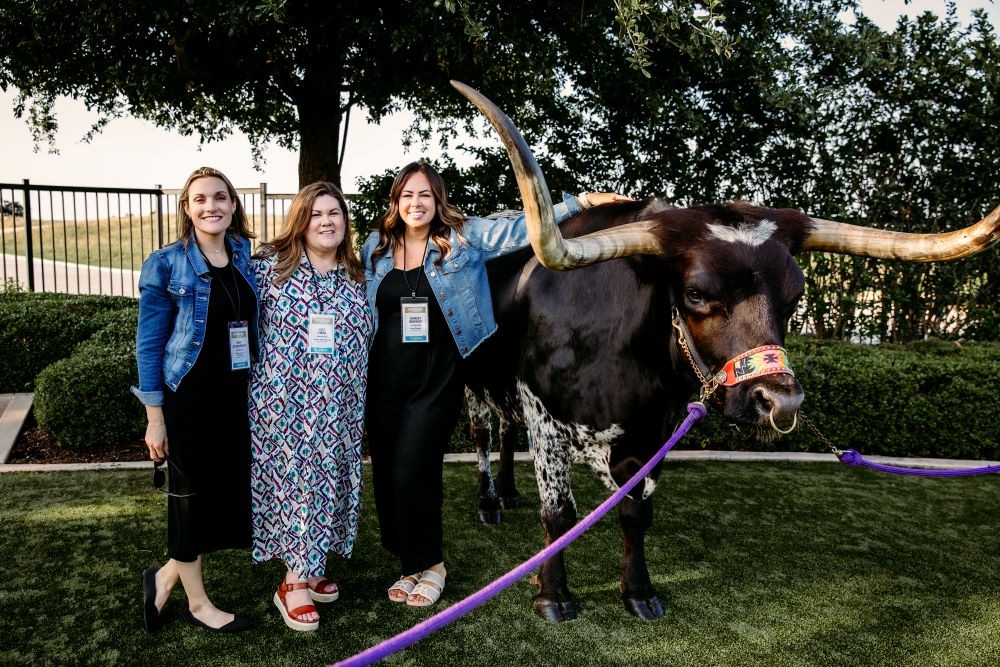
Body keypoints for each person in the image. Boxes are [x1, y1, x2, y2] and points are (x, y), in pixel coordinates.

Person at [361, 161, 627, 607]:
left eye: (425, 194)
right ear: (395, 201)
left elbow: (523, 227)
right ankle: (409, 563)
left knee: (415, 470)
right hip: (384, 377)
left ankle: (432, 564)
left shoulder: (463, 239)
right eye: (407, 195)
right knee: (387, 476)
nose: (416, 203)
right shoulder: (376, 246)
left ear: (438, 199)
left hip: (437, 376)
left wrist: (580, 203)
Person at [133, 166, 258, 633]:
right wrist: (155, 417)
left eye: (221, 197)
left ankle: (165, 576)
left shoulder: (245, 254)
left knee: (212, 500)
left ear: (232, 206)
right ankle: (199, 603)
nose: (212, 206)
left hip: (235, 396)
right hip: (187, 397)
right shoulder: (166, 263)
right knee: (187, 500)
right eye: (201, 199)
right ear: (187, 208)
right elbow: (149, 344)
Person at [248, 182, 373, 632]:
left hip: (341, 407)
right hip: (284, 406)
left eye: (335, 213)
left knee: (330, 483)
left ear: (345, 221)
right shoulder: (269, 268)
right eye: (316, 214)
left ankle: (313, 564)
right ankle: (292, 583)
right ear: (301, 220)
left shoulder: (359, 276)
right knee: (298, 484)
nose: (326, 221)